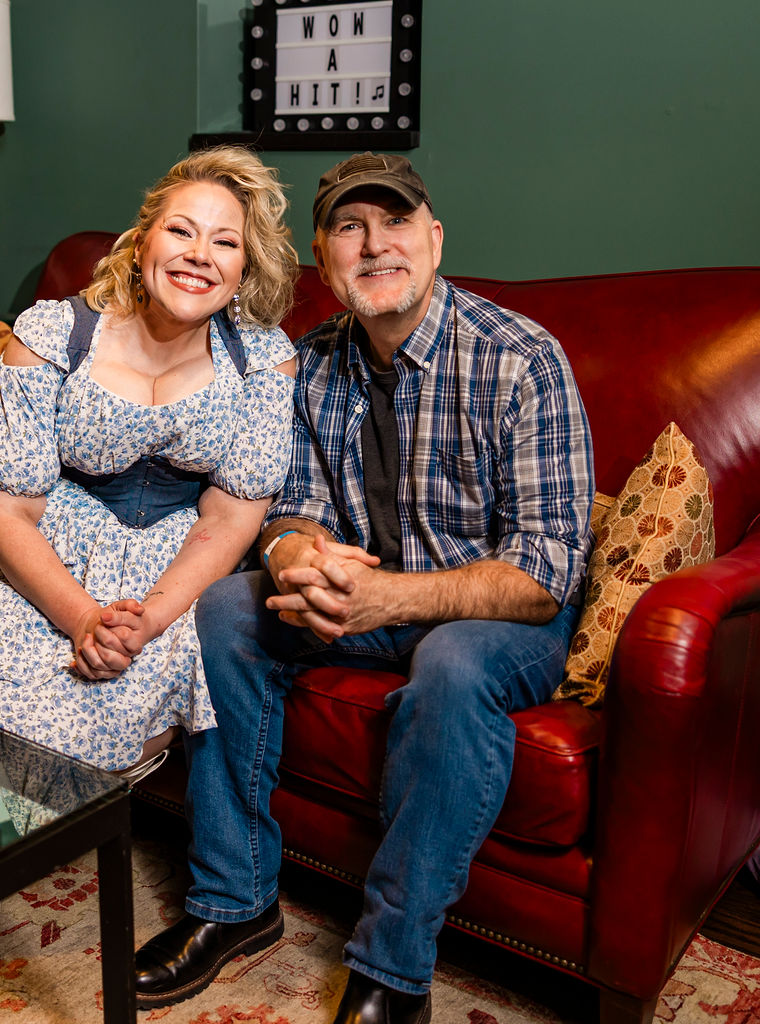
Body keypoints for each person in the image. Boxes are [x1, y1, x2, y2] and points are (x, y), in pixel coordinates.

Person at [133, 152, 595, 1024]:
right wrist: (292, 553)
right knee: (227, 609)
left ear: (434, 237)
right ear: (323, 252)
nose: (375, 243)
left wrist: (394, 600)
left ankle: (393, 970)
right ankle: (232, 905)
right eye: (350, 226)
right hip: (361, 596)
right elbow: (290, 505)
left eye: (395, 221)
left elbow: (546, 570)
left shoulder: (520, 359)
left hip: (496, 614)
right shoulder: (312, 363)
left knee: (455, 663)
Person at [0, 145, 299, 981]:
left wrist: (147, 615)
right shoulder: (54, 334)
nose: (198, 254)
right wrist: (77, 614)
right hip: (44, 538)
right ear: (143, 241)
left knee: (121, 688)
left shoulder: (266, 360)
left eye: (224, 242)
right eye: (181, 230)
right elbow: (9, 505)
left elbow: (230, 517)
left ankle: (19, 840)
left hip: (174, 561)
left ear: (244, 265)